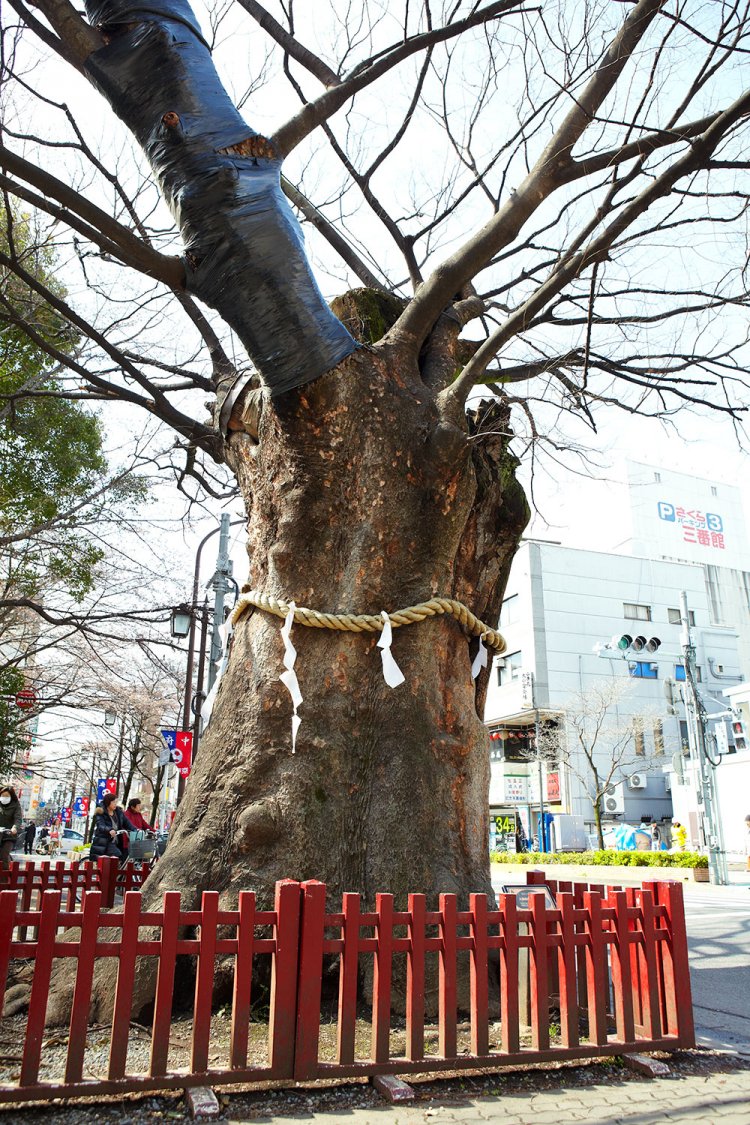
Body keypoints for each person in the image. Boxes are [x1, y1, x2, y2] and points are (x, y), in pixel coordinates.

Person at [89, 793, 129, 862]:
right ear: (108, 802)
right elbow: (101, 825)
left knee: (123, 857)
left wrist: (136, 829)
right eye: (113, 802)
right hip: (104, 842)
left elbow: (127, 823)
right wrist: (109, 830)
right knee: (117, 855)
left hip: (116, 842)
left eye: (116, 802)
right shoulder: (101, 812)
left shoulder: (118, 812)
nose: (115, 804)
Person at [0, 785, 23, 869]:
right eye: (2, 796)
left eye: (6, 796)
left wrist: (15, 828)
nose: (4, 798)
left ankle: (4, 879)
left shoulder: (16, 805)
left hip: (9, 835)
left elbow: (18, 818)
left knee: (4, 854)